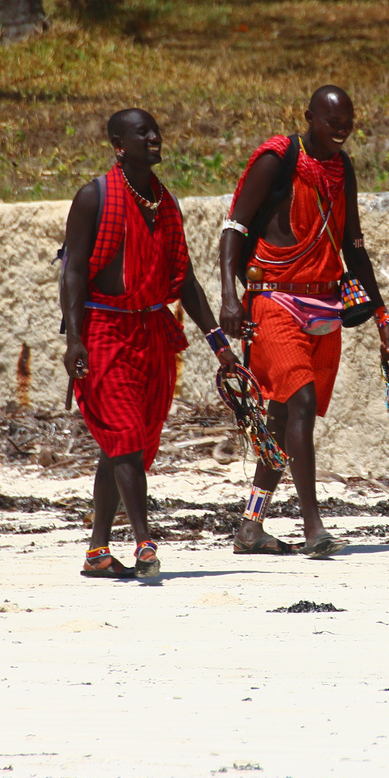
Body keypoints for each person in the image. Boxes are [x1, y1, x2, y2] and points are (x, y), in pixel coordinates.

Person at [218, 86, 389, 559]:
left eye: (348, 123)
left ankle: (251, 526)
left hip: (325, 304)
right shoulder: (277, 159)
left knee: (283, 419)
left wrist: (382, 314)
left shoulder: (343, 168)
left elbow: (353, 244)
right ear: (309, 118)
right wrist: (227, 299)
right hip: (272, 299)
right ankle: (313, 524)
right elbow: (234, 228)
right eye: (331, 122)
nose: (340, 131)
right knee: (299, 402)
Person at [61, 108, 238, 580]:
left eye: (156, 130)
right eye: (143, 133)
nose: (155, 137)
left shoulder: (166, 204)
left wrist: (219, 344)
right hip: (103, 332)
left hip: (152, 336)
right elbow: (74, 272)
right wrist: (74, 338)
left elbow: (185, 281)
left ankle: (98, 553)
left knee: (125, 447)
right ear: (119, 144)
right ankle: (144, 542)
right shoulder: (93, 198)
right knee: (125, 439)